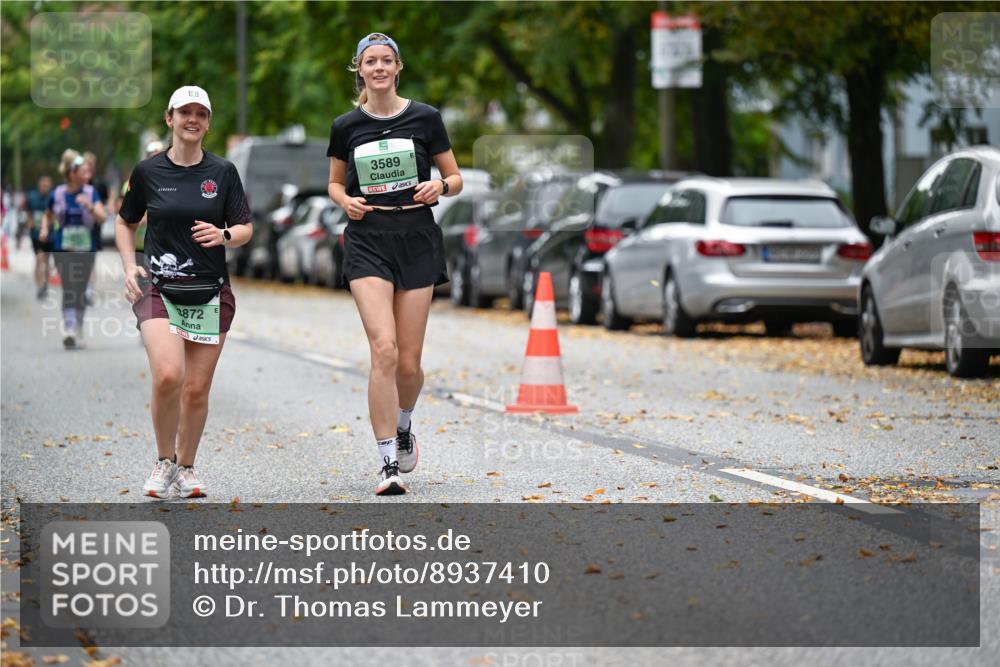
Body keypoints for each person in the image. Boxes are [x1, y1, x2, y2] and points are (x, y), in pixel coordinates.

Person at [327, 32, 462, 495]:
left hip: (418, 236)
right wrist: (347, 201)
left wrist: (440, 188)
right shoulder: (346, 126)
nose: (379, 67)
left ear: (398, 67)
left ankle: (404, 424)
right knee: (382, 349)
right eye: (371, 61)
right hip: (368, 238)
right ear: (359, 70)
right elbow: (334, 185)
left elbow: (456, 176)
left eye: (387, 60)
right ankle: (387, 461)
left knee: (408, 361)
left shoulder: (426, 118)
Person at [116, 86, 253, 499]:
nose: (192, 120)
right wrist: (129, 267)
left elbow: (245, 227)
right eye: (184, 112)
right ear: (169, 119)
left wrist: (223, 233)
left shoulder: (223, 172)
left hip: (210, 292)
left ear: (208, 122)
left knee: (196, 388)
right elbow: (125, 222)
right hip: (159, 288)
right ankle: (163, 460)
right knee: (169, 374)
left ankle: (187, 467)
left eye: (201, 113)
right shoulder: (147, 172)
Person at [39, 150, 106, 349]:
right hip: (63, 248)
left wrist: (90, 206)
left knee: (80, 288)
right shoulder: (57, 193)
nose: (86, 172)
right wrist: (44, 228)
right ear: (71, 173)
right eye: (81, 169)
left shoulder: (90, 193)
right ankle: (69, 328)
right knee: (69, 287)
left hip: (86, 248)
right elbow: (48, 214)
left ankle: (78, 327)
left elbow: (102, 217)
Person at [26, 175, 54, 300]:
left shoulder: (53, 197)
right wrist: (30, 222)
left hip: (50, 234)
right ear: (39, 185)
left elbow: (55, 215)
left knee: (47, 262)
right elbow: (29, 213)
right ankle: (39, 286)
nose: (44, 187)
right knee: (39, 259)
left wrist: (48, 225)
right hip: (35, 234)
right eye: (43, 185)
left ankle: (45, 285)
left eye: (47, 186)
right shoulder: (32, 197)